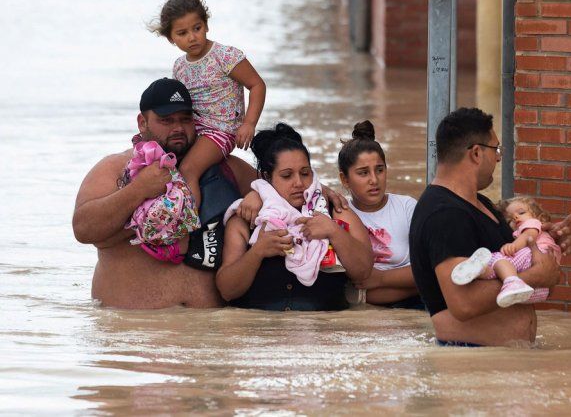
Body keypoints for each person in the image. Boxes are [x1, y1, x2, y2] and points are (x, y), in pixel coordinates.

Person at [72, 78, 260, 309]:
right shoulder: (115, 167)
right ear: (143, 122)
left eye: (185, 119)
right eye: (166, 120)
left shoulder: (226, 168)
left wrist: (260, 195)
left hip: (209, 333)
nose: (178, 128)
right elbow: (83, 229)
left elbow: (300, 191)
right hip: (132, 331)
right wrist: (138, 190)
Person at [409, 107, 571, 346]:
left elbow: (520, 266)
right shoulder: (444, 214)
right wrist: (534, 276)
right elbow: (462, 303)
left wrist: (546, 244)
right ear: (476, 153)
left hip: (501, 361)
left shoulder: (481, 205)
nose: (498, 157)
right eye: (495, 149)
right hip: (469, 360)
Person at [216, 123, 374, 311]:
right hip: (259, 333)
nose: (299, 183)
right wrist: (257, 252)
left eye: (305, 173)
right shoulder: (246, 219)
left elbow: (363, 272)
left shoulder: (335, 210)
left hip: (325, 332)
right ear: (267, 178)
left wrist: (334, 232)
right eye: (287, 176)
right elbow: (226, 291)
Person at [150, 0, 267, 211]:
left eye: (197, 28)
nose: (192, 37)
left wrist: (249, 123)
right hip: (197, 128)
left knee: (189, 169)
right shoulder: (179, 66)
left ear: (206, 26)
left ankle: (187, 220)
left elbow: (257, 85)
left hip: (221, 129)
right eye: (182, 33)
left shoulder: (225, 56)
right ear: (171, 38)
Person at [337, 120, 423, 309]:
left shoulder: (407, 207)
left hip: (415, 306)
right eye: (363, 173)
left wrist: (381, 279)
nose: (374, 180)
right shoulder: (341, 215)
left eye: (380, 170)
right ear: (344, 179)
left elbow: (430, 270)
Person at [451, 195, 560, 307]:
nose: (516, 218)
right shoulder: (533, 231)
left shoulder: (534, 223)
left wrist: (514, 246)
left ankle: (496, 274)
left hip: (533, 258)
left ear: (540, 217)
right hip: (538, 292)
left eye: (521, 213)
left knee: (500, 259)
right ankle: (481, 272)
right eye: (510, 220)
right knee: (501, 270)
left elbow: (528, 236)